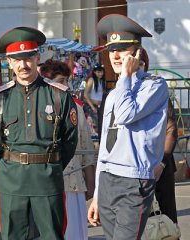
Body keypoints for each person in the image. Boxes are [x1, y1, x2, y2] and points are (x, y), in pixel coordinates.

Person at [0, 27, 78, 240]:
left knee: (51, 236)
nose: (23, 64)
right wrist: (11, 166)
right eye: (16, 59)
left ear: (37, 57)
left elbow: (70, 140)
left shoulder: (58, 95)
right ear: (9, 62)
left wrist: (50, 164)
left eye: (28, 57)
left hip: (47, 178)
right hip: (11, 180)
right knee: (12, 236)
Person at [87, 14, 169, 240]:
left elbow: (126, 114)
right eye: (111, 49)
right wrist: (96, 195)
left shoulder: (154, 85)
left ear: (137, 53)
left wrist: (126, 75)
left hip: (133, 182)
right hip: (107, 181)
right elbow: (105, 145)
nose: (114, 55)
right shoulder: (115, 94)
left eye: (122, 49)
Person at [40, 59, 95, 240]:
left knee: (74, 233)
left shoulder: (76, 107)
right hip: (44, 184)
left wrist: (91, 183)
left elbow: (86, 149)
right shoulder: (37, 108)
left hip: (73, 183)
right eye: (61, 80)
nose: (66, 85)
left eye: (66, 80)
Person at [139, 58, 179, 225]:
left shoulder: (156, 89)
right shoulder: (117, 93)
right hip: (133, 169)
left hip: (159, 165)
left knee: (166, 222)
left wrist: (161, 163)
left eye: (139, 64)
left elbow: (171, 129)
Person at [83, 64, 105, 144]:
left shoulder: (102, 81)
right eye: (98, 72)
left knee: (100, 125)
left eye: (101, 71)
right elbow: (85, 95)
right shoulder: (91, 80)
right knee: (94, 126)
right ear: (94, 72)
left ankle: (99, 143)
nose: (100, 74)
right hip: (92, 106)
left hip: (100, 106)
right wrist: (92, 107)